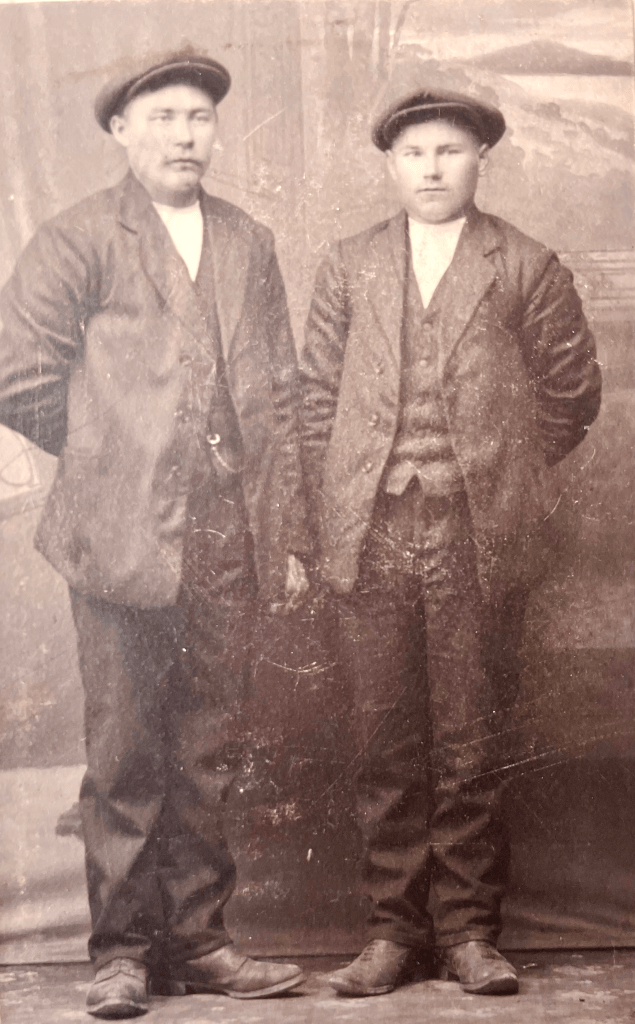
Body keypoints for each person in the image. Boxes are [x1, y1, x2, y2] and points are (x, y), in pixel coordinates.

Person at [0, 49, 311, 1018]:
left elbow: (279, 394)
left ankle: (201, 941)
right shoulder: (78, 237)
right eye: (164, 117)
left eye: (198, 118)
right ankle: (122, 953)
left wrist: (284, 529)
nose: (184, 135)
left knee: (208, 746)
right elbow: (16, 372)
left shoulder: (248, 241)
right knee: (126, 751)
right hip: (116, 534)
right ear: (121, 130)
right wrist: (110, 456)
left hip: (227, 537)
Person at [300, 87, 602, 998]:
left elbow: (569, 396)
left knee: (471, 739)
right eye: (413, 153)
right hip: (371, 532)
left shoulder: (525, 264)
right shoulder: (348, 263)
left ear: (480, 160)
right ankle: (392, 932)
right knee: (383, 739)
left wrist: (494, 469)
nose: (430, 169)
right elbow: (315, 402)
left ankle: (468, 931)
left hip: (477, 534)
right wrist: (350, 497)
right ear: (390, 165)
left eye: (449, 151)